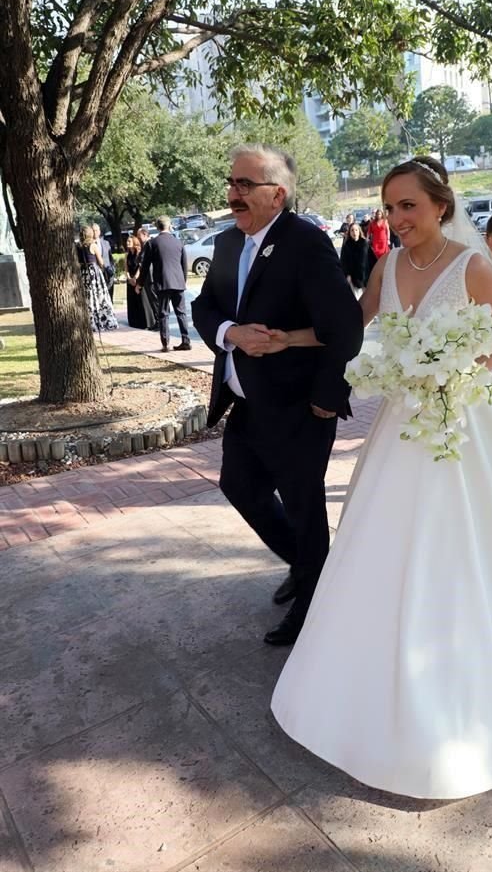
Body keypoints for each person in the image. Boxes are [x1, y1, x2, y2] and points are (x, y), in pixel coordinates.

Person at [271, 155, 492, 800]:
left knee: (475, 544)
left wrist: (455, 372)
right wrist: (288, 339)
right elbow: (351, 327)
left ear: (440, 205)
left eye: (408, 205)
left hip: (466, 423)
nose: (397, 219)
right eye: (390, 208)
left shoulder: (473, 264)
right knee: (384, 545)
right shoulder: (386, 265)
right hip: (406, 427)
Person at [192, 143, 363, 646]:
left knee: (305, 508)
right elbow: (204, 309)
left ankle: (312, 608)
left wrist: (327, 398)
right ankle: (311, 568)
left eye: (245, 185)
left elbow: (345, 327)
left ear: (277, 194)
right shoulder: (225, 245)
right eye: (231, 182)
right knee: (240, 487)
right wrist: (230, 332)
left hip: (299, 407)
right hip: (246, 405)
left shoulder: (306, 243)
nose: (233, 193)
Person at [137, 216, 190, 352]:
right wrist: (183, 280)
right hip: (178, 282)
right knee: (181, 312)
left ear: (157, 227)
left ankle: (165, 343)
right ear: (169, 226)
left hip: (162, 282)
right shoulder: (178, 242)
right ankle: (185, 340)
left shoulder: (152, 243)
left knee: (164, 313)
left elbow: (145, 266)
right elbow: (184, 264)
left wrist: (139, 283)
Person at [76, 225, 118, 332]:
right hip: (94, 273)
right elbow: (100, 261)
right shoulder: (93, 245)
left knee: (87, 296)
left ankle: (89, 321)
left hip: (83, 273)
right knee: (99, 296)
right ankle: (102, 320)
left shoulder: (78, 247)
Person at [125, 233, 156, 329]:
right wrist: (129, 278)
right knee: (132, 301)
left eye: (129, 241)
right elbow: (126, 269)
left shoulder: (139, 253)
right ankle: (134, 321)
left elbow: (140, 267)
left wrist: (135, 278)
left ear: (134, 242)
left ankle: (146, 322)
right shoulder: (127, 255)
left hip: (138, 278)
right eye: (127, 241)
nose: (127, 243)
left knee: (142, 300)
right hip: (130, 279)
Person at [339, 221, 370, 295]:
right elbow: (343, 261)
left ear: (359, 231)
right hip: (352, 277)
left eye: (356, 230)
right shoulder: (347, 244)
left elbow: (366, 261)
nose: (354, 232)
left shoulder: (364, 243)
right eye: (352, 230)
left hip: (364, 276)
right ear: (349, 232)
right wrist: (347, 274)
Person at [93, 223, 116, 303]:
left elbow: (111, 259)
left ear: (99, 232)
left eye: (96, 230)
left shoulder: (106, 243)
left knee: (109, 298)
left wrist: (113, 270)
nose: (95, 232)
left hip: (108, 275)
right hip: (96, 275)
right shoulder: (90, 245)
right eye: (93, 231)